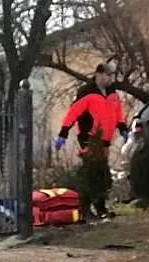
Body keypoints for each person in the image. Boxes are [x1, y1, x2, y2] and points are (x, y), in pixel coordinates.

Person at [54, 64, 129, 219]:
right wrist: (63, 133)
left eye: (112, 76)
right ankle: (85, 208)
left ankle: (101, 208)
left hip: (105, 141)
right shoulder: (86, 92)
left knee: (101, 174)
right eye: (108, 75)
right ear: (98, 75)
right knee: (91, 174)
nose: (110, 79)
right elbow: (73, 113)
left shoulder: (112, 93)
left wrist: (122, 127)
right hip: (90, 139)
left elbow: (117, 111)